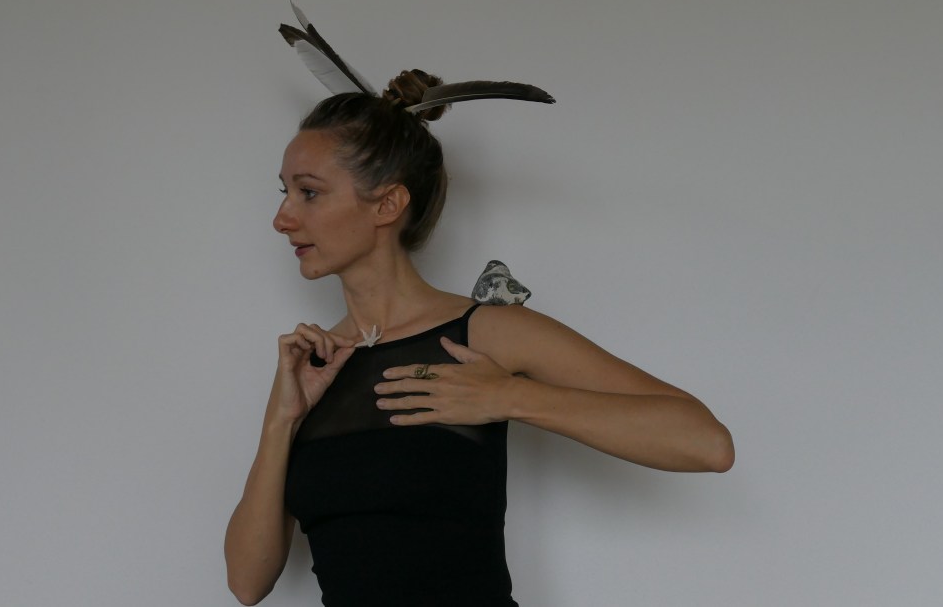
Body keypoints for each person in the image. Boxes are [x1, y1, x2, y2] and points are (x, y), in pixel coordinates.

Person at [224, 70, 734, 607]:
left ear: (387, 205)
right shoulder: (312, 367)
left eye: (308, 193)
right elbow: (247, 582)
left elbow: (707, 443)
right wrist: (282, 420)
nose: (282, 219)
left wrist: (509, 396)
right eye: (285, 193)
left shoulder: (486, 333)